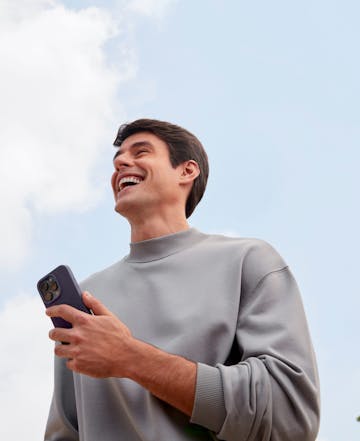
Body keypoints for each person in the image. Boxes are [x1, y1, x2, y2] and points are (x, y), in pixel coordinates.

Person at [44, 119, 320, 441]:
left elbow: (289, 415)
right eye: (118, 157)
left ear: (186, 171)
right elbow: (65, 431)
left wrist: (130, 357)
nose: (120, 162)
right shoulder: (89, 297)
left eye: (141, 151)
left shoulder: (248, 262)